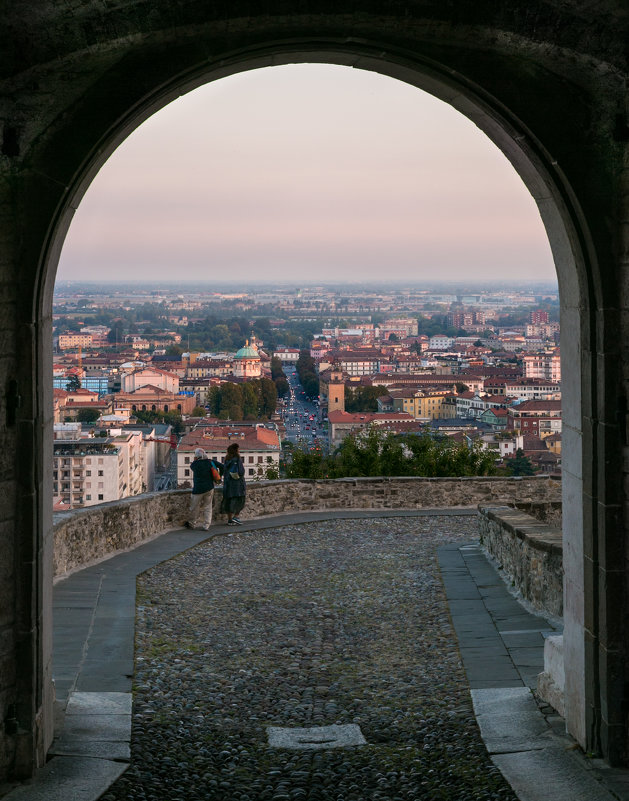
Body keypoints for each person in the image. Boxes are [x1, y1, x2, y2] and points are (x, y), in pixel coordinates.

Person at [184, 447, 222, 531]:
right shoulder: (210, 462)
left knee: (194, 507)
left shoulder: (194, 464)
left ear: (196, 456)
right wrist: (219, 476)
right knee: (208, 507)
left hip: (198, 489)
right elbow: (222, 466)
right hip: (209, 487)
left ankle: (192, 523)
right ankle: (206, 525)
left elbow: (193, 467)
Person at [221, 442, 246, 525]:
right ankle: (236, 516)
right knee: (239, 500)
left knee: (228, 501)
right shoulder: (237, 459)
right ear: (236, 450)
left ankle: (230, 520)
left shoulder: (226, 460)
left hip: (228, 484)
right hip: (237, 484)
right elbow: (241, 471)